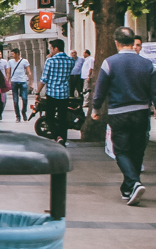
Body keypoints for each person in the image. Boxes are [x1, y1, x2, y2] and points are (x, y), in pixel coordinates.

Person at [91, 26, 156, 205]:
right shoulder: (147, 64)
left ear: (116, 42)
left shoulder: (109, 63)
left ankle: (133, 183)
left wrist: (95, 109)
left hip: (118, 113)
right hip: (141, 112)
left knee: (120, 150)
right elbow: (154, 90)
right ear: (132, 41)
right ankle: (128, 188)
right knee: (137, 149)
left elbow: (100, 90)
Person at [38, 39, 75, 145]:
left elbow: (44, 79)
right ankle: (63, 138)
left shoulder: (50, 61)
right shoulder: (71, 61)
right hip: (64, 93)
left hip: (52, 93)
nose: (51, 51)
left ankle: (57, 136)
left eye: (51, 48)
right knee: (63, 118)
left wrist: (37, 92)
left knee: (49, 117)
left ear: (56, 48)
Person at [4, 49, 33, 122]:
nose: (11, 55)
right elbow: (8, 72)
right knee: (15, 100)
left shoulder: (24, 61)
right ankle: (18, 116)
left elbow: (29, 72)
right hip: (14, 82)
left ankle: (24, 112)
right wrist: (7, 82)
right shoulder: (10, 62)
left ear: (17, 54)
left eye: (13, 54)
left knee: (25, 98)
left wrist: (31, 83)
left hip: (23, 81)